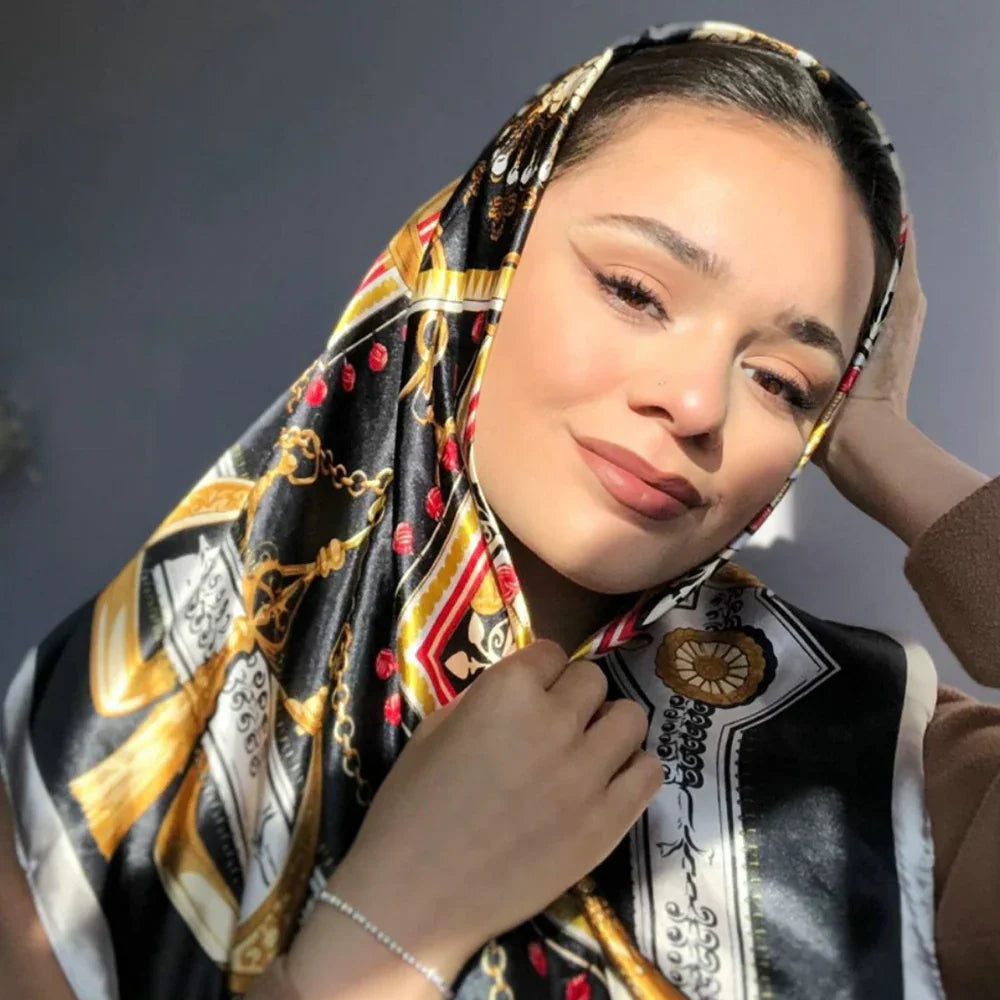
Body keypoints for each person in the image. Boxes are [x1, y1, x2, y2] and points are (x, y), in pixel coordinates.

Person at [0, 19, 996, 1000]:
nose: (696, 403)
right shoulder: (109, 743)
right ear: (481, 252)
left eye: (782, 382)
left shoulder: (888, 775)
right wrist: (387, 933)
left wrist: (884, 444)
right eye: (633, 291)